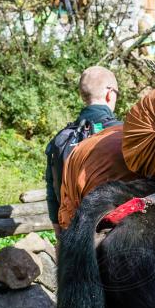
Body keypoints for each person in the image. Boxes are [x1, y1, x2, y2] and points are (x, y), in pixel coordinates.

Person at [45, 65, 121, 234]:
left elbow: (52, 192)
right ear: (110, 93)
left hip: (72, 233)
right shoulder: (124, 134)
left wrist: (60, 235)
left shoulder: (60, 139)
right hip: (115, 233)